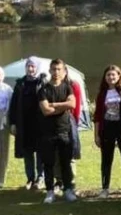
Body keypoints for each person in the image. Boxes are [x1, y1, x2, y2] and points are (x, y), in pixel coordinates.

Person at [39, 58, 78, 203]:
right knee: (48, 164)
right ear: (49, 71)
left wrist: (54, 104)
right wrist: (64, 106)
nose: (56, 72)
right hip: (48, 133)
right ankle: (50, 192)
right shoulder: (43, 89)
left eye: (59, 69)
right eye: (54, 69)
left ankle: (68, 190)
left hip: (64, 131)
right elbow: (46, 111)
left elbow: (72, 104)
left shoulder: (67, 87)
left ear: (63, 71)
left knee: (65, 163)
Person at [95, 65, 121, 199]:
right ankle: (105, 188)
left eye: (113, 75)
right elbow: (98, 116)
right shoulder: (102, 94)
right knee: (106, 159)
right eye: (108, 75)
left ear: (119, 76)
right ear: (105, 77)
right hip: (107, 129)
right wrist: (96, 135)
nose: (111, 77)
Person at [9, 56, 45, 190]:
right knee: (27, 152)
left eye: (33, 66)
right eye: (28, 66)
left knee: (41, 152)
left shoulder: (42, 82)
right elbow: (13, 105)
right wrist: (12, 123)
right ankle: (30, 178)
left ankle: (40, 178)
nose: (30, 69)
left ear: (37, 68)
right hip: (24, 124)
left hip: (39, 124)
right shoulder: (20, 84)